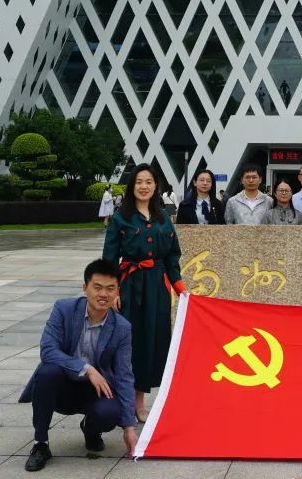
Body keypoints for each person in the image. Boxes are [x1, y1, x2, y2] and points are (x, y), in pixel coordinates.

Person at [20, 259, 138, 471]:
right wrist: (87, 369)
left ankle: (91, 430)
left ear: (117, 291)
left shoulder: (122, 327)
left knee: (111, 413)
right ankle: (41, 444)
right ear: (85, 288)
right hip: (61, 387)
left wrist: (129, 427)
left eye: (110, 289)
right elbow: (48, 350)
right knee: (47, 372)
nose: (103, 294)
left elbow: (124, 375)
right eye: (97, 287)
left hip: (94, 391)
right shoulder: (64, 309)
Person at [102, 164, 187, 423]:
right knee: (129, 343)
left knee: (151, 343)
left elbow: (172, 256)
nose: (144, 186)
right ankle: (120, 400)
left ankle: (139, 403)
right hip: (130, 286)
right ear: (132, 186)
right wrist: (113, 291)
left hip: (157, 290)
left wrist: (180, 288)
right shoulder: (121, 218)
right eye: (139, 182)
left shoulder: (163, 218)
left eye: (148, 182)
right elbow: (109, 258)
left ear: (155, 186)